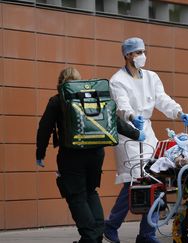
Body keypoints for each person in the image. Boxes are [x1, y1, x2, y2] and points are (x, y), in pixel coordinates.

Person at [35, 67, 145, 243]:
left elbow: (44, 128)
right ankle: (97, 232)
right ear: (80, 81)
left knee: (76, 195)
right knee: (91, 192)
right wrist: (136, 134)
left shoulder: (57, 100)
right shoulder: (93, 98)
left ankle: (90, 237)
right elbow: (114, 121)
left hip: (71, 155)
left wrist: (40, 153)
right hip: (96, 154)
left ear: (60, 83)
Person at [104, 37, 188, 243]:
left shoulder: (151, 77)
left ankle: (146, 233)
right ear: (127, 55)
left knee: (155, 180)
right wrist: (132, 118)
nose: (142, 56)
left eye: (143, 51)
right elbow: (122, 105)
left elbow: (162, 99)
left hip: (148, 133)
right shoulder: (117, 80)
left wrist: (178, 113)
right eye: (138, 52)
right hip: (129, 134)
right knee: (135, 182)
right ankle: (111, 225)